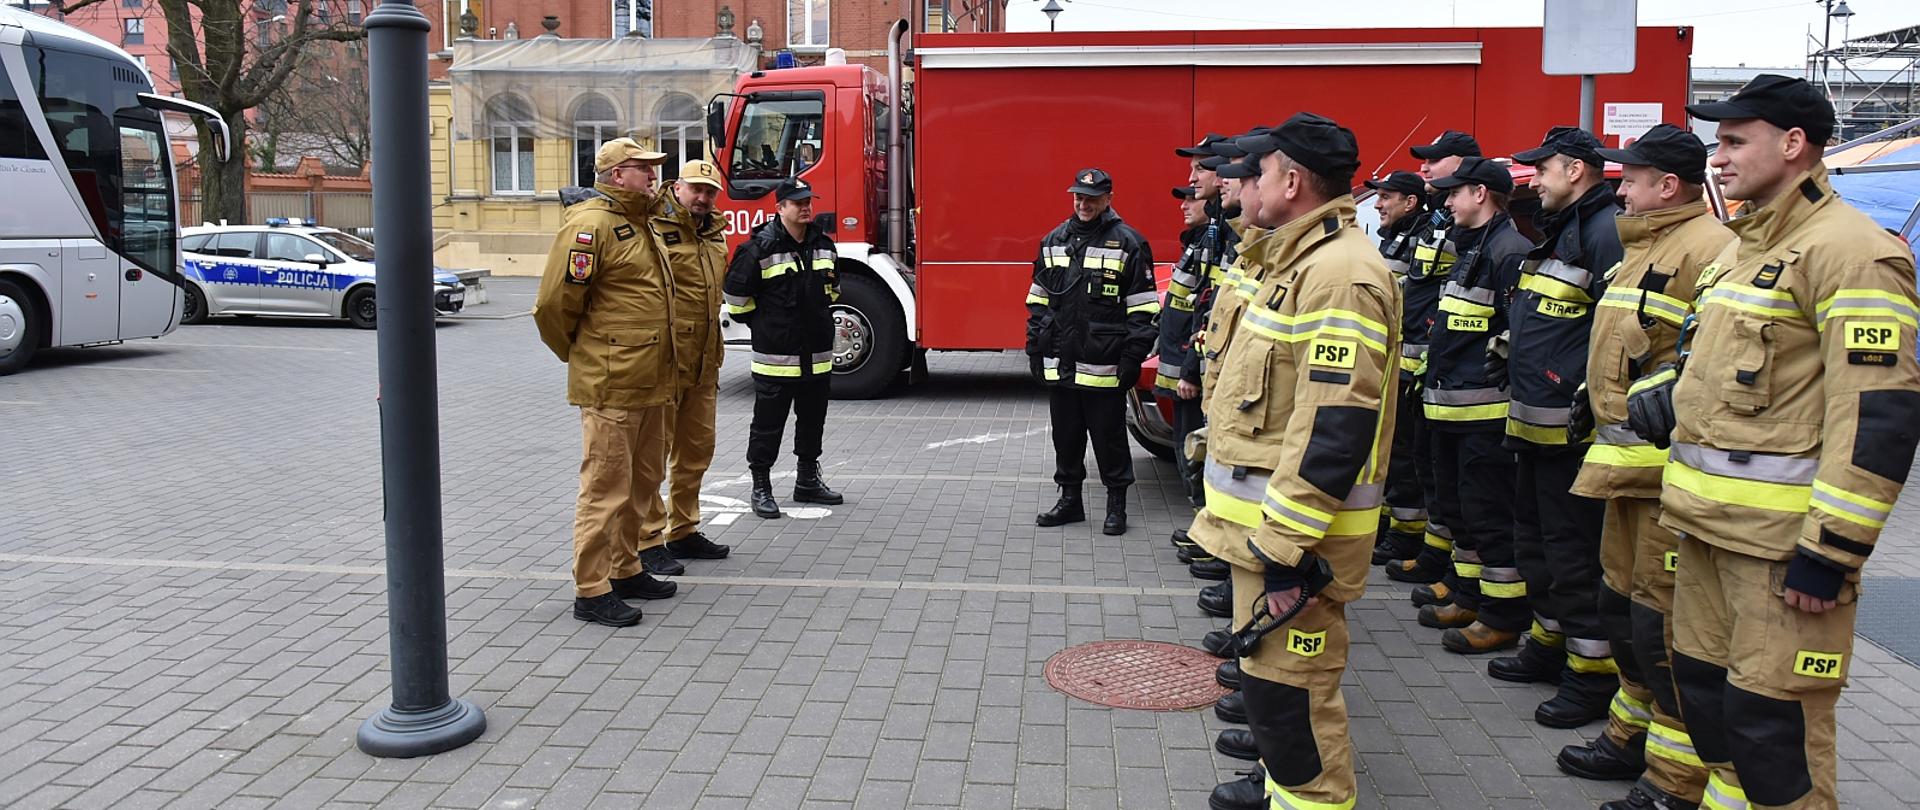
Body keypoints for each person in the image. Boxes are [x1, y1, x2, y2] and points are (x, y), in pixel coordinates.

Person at [1629, 73, 1920, 810]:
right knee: (1707, 704)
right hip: (1700, 531)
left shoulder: (1853, 253)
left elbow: (1878, 415)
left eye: (1733, 141)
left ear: (1793, 145)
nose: (1716, 159)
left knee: (1772, 730)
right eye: (1715, 143)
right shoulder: (1740, 250)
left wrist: (1832, 551)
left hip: (1781, 552)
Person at [1199, 112, 1400, 810]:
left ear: (1291, 180)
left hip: (1294, 544)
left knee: (1297, 701)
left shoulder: (1340, 274)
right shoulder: (1301, 261)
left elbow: (1334, 427)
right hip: (1267, 539)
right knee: (1273, 691)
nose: (1243, 182)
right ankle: (1283, 787)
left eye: (1257, 171)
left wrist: (1285, 547)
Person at [1555, 124, 1729, 810]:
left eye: (1630, 178)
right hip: (1623, 473)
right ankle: (1627, 737)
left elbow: (1695, 365)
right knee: (1623, 613)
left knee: (1662, 630)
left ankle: (1674, 780)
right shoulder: (1642, 248)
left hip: (1667, 480)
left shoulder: (1710, 249)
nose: (1618, 187)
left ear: (1668, 185)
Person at [1486, 128, 1625, 723]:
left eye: (1542, 170)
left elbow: (1613, 336)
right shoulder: (1567, 229)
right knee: (1536, 544)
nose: (1534, 180)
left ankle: (1590, 677)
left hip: (1571, 433)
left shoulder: (1602, 233)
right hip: (1536, 425)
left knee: (1572, 555)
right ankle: (1547, 644)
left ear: (1574, 170)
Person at [533, 137, 681, 628]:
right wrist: (586, 356)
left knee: (642, 484)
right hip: (613, 383)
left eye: (653, 167)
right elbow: (554, 307)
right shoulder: (590, 225)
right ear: (617, 175)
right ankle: (592, 589)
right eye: (643, 168)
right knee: (604, 487)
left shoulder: (643, 223)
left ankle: (626, 567)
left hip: (652, 380)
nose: (653, 174)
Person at [1417, 157, 1531, 650]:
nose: (1447, 202)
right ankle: (1467, 593)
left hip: (1483, 415)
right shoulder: (1475, 246)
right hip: (1453, 408)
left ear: (1480, 194)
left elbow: (1513, 337)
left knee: (1487, 514)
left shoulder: (1509, 251)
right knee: (1459, 507)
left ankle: (1501, 614)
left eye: (1455, 193)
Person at [1025, 168, 1159, 535]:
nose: (1083, 204)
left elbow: (1144, 308)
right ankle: (1070, 502)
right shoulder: (1054, 240)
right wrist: (1034, 348)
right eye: (1078, 197)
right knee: (1065, 437)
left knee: (1109, 439)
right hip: (1060, 362)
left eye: (1091, 198)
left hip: (1105, 364)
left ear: (1108, 199)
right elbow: (1038, 301)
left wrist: (1133, 357)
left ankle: (1117, 506)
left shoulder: (1129, 243)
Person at [1385, 129, 1482, 590]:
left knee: (1444, 477)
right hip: (1424, 372)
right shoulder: (1439, 224)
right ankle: (1434, 554)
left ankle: (1445, 564)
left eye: (1434, 162)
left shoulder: (1471, 232)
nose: (1425, 169)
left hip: (1451, 376)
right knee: (1425, 466)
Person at [722, 176, 844, 519]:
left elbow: (834, 290)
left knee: (812, 422)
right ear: (780, 208)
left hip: (817, 357)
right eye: (798, 203)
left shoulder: (823, 244)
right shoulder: (758, 248)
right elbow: (735, 298)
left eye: (809, 201)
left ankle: (807, 481)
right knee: (767, 426)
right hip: (776, 358)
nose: (806, 207)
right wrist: (763, 326)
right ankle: (761, 487)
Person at [635, 159, 735, 577]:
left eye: (710, 192)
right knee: (652, 457)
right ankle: (647, 539)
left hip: (704, 361)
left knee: (696, 452)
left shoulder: (714, 233)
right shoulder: (654, 228)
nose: (703, 198)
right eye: (696, 189)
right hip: (666, 361)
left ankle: (684, 529)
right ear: (677, 188)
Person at [1364, 170, 1432, 568]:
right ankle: (1390, 527)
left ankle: (1406, 535)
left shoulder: (1422, 237)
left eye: (1387, 197)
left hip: (1413, 369)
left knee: (1406, 456)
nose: (1378, 204)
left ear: (1411, 202)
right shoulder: (1398, 237)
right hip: (1395, 365)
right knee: (1392, 452)